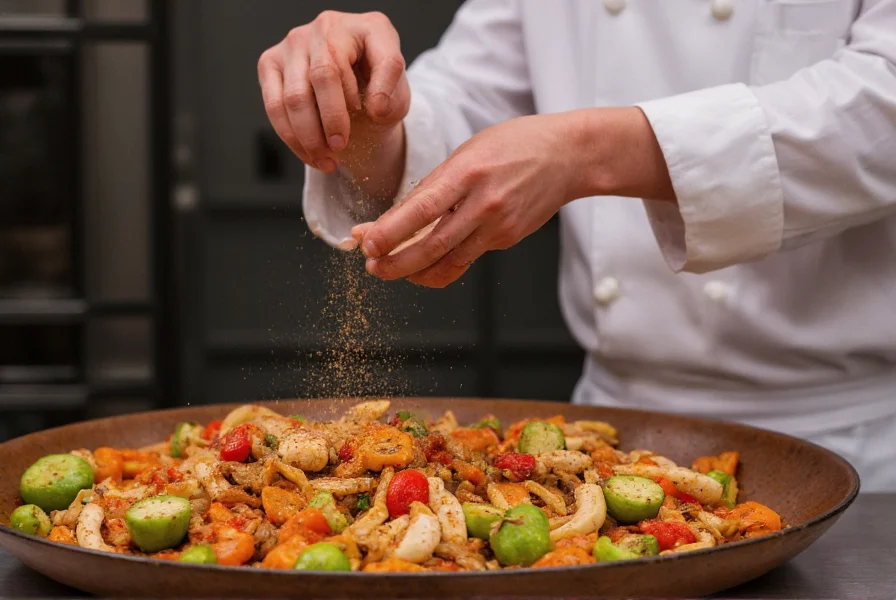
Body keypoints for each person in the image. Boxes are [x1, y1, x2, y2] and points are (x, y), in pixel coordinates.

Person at [257, 0, 896, 491]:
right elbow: (464, 106)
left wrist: (585, 151)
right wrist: (368, 117)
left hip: (850, 444)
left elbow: (881, 105)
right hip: (608, 432)